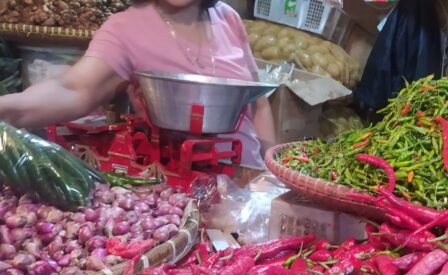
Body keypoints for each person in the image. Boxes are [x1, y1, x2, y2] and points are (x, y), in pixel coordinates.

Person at [0, 0, 273, 170]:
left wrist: (272, 171)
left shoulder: (228, 18)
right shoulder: (125, 28)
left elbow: (259, 103)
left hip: (251, 179)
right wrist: (8, 109)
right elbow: (73, 88)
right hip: (190, 190)